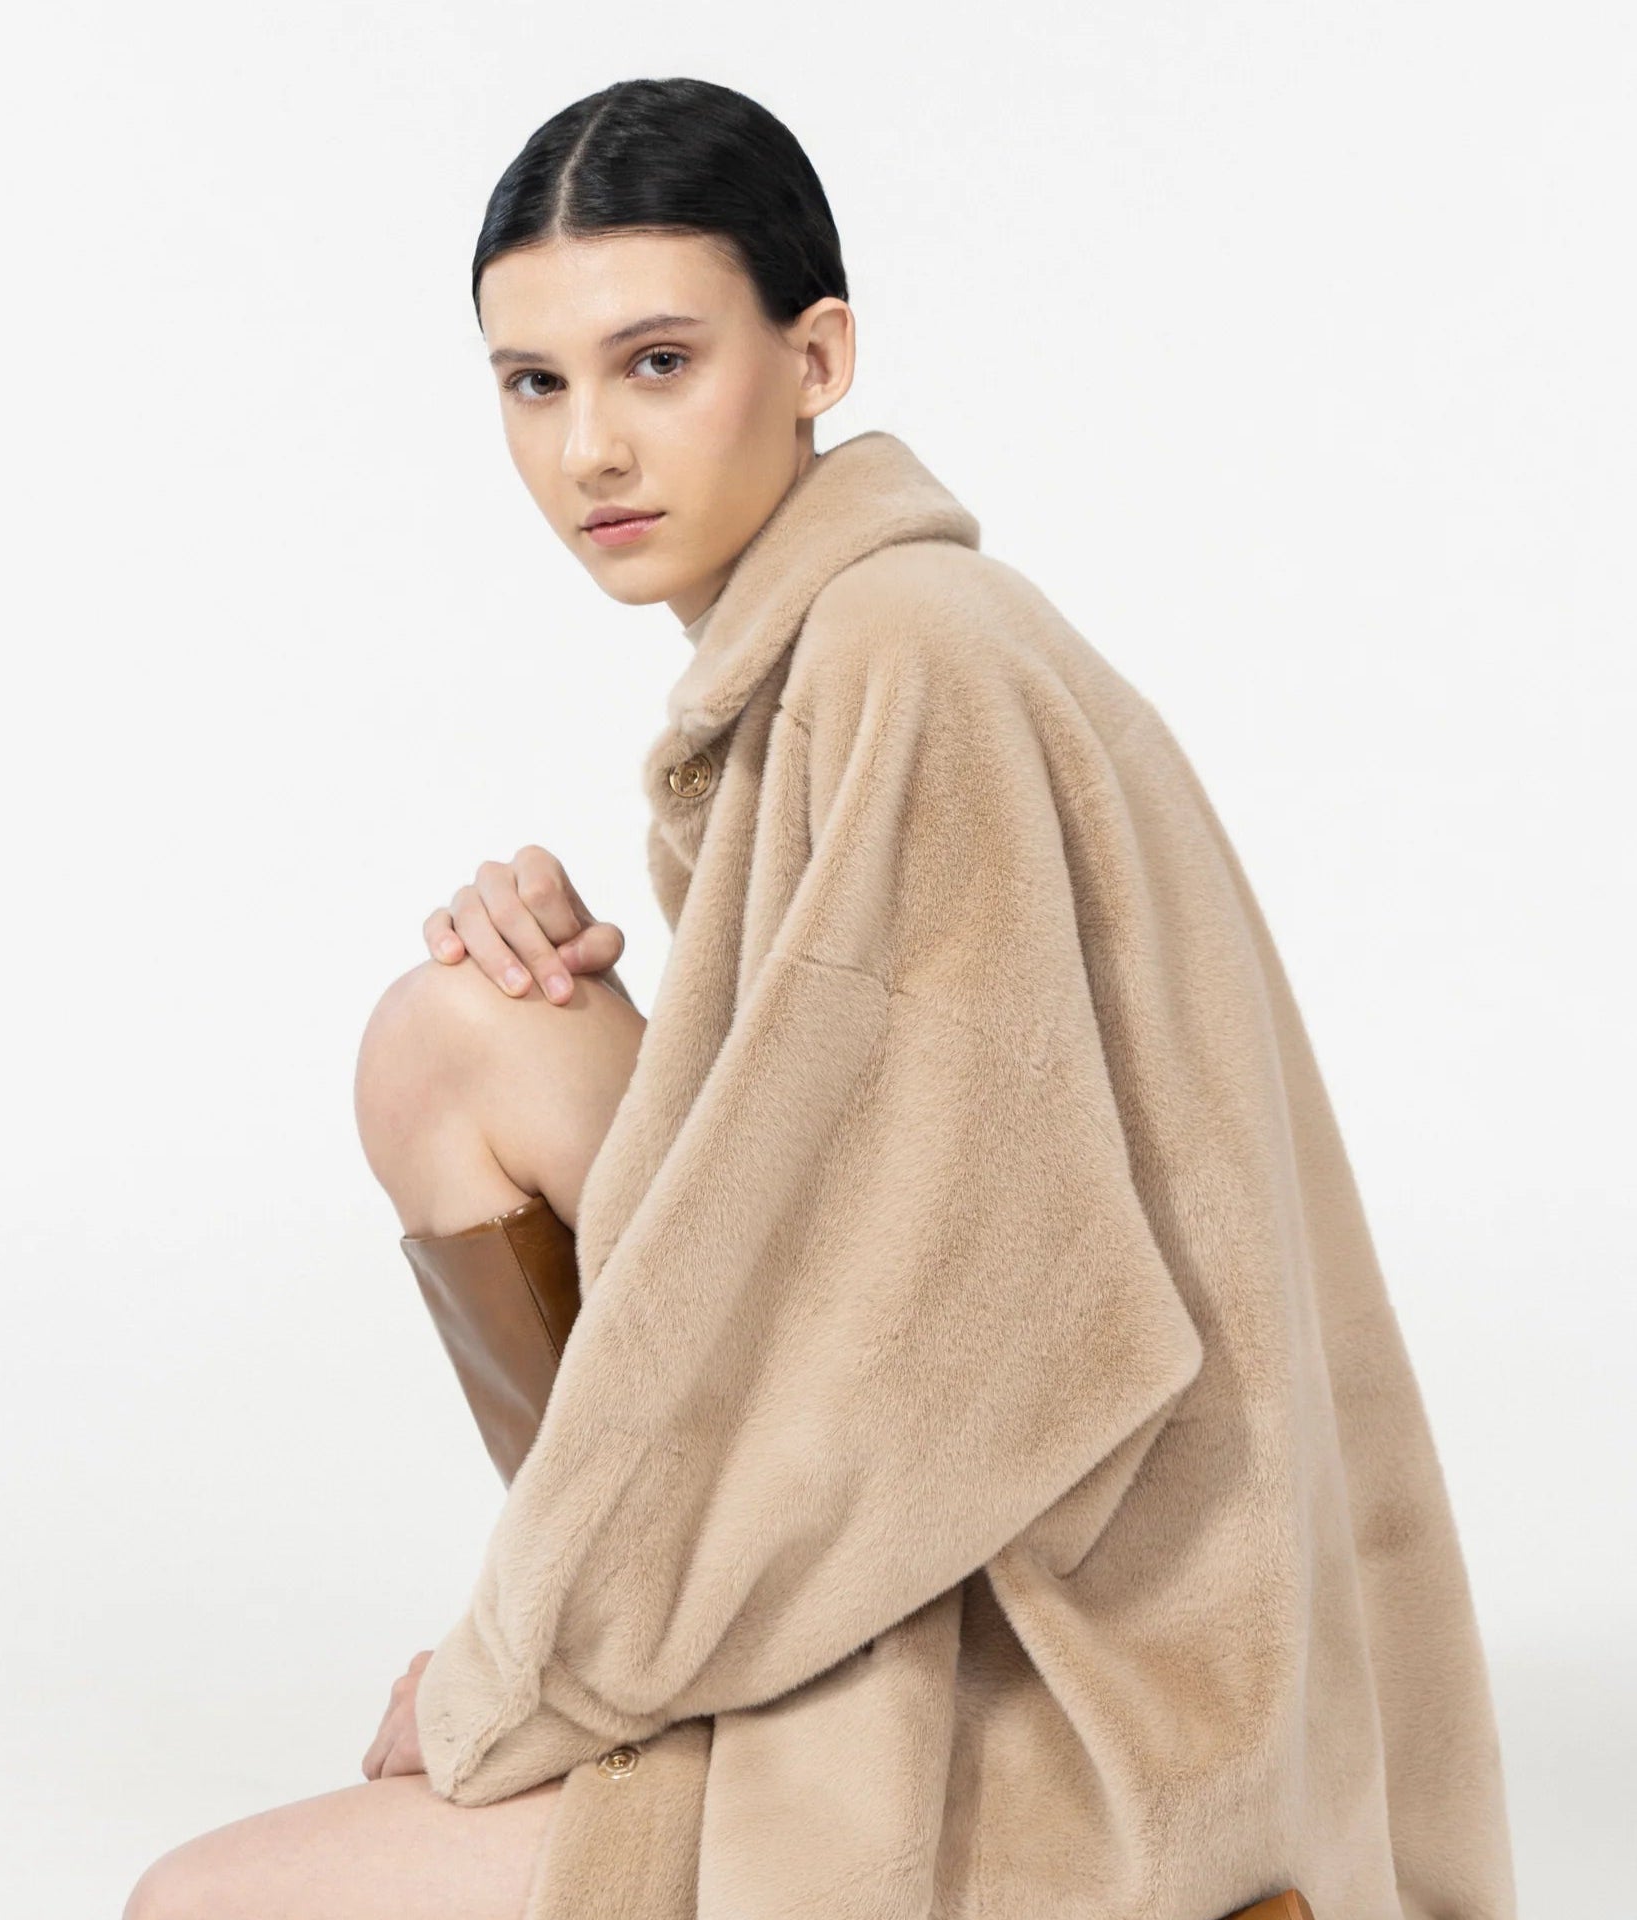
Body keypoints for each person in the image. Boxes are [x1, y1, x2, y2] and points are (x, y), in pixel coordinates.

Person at [122, 78, 1516, 1920]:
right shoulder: (842, 658)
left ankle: (662, 1669)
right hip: (986, 1584)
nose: (590, 449)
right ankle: (658, 1653)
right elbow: (857, 1230)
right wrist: (669, 1016)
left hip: (1088, 1709)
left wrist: (509, 1683)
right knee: (455, 1037)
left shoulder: (907, 659)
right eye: (533, 383)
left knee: (203, 1906)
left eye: (657, 363)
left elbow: (925, 1356)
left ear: (816, 357)